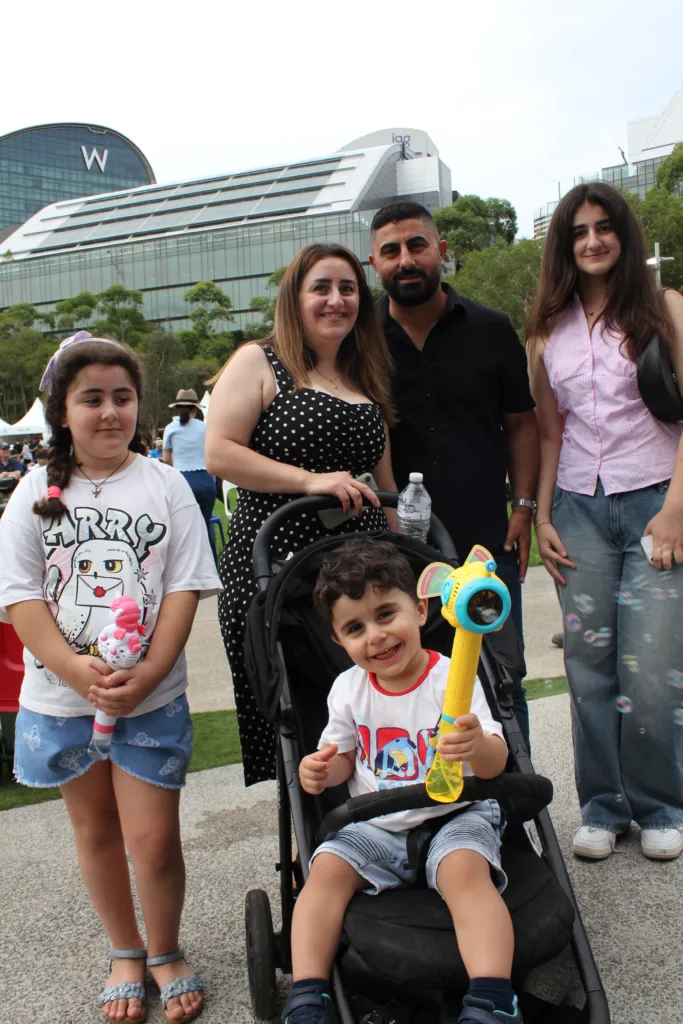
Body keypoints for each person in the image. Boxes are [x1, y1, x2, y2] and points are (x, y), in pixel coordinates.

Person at [0, 330, 221, 1023]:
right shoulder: (34, 491)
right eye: (90, 398)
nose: (109, 412)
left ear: (140, 406)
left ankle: (164, 948)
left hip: (151, 698)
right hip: (60, 698)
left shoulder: (165, 486)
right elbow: (20, 596)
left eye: (122, 397)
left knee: (153, 838)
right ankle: (124, 951)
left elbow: (184, 586)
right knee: (94, 832)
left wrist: (152, 667)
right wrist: (72, 668)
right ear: (62, 410)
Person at [283, 538, 518, 1024]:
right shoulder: (347, 689)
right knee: (322, 875)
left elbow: (497, 764)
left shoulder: (453, 675)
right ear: (337, 640)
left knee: (466, 875)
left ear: (421, 608)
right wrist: (324, 768)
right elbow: (344, 757)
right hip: (376, 820)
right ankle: (309, 991)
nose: (376, 637)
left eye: (386, 614)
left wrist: (477, 747)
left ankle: (493, 996)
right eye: (355, 627)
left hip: (455, 811)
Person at [526, 181, 683, 861]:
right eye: (577, 231)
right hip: (576, 510)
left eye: (602, 227)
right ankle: (601, 805)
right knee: (589, 666)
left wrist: (676, 509)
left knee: (649, 667)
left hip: (655, 501)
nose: (590, 241)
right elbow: (547, 433)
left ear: (622, 235)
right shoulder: (544, 330)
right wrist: (539, 515)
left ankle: (657, 806)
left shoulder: (664, 310)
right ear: (563, 245)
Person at [205, 242, 398, 787]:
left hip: (361, 574)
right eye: (321, 288)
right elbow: (220, 453)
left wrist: (414, 563)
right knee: (305, 717)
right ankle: (313, 845)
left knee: (375, 703)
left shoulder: (368, 376)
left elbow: (385, 487)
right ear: (295, 297)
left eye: (348, 288)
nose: (336, 299)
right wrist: (312, 481)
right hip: (277, 569)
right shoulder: (260, 361)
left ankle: (386, 822)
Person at [369, 202, 539, 749]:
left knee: (503, 681)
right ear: (374, 264)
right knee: (401, 683)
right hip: (392, 547)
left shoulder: (489, 328)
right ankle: (428, 817)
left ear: (441, 252)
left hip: (483, 542)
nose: (406, 260)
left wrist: (524, 508)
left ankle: (515, 819)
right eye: (391, 251)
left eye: (417, 245)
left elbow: (521, 424)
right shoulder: (358, 339)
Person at [163, 390, 217, 563]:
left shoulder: (171, 429)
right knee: (205, 523)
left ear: (178, 409)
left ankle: (187, 565)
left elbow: (166, 459)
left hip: (182, 481)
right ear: (195, 409)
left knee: (184, 527)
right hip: (206, 482)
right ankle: (211, 564)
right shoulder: (205, 427)